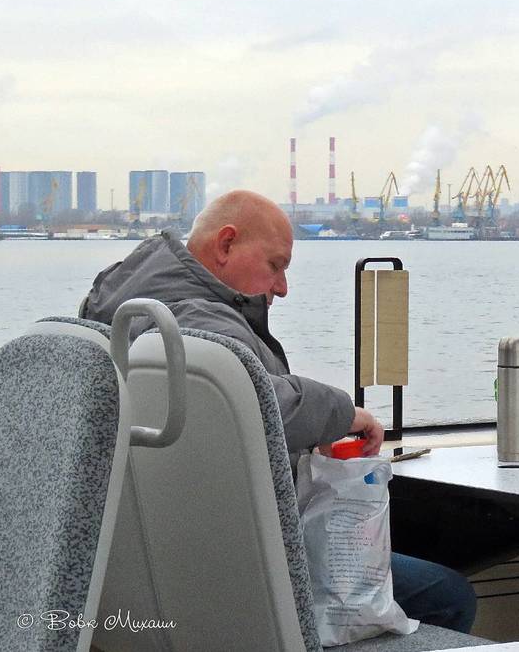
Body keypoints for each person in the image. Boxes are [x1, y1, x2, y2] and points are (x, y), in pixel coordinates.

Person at [81, 189, 476, 633]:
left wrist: (311, 436)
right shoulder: (195, 323)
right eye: (276, 265)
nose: (283, 288)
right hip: (239, 559)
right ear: (226, 244)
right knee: (449, 596)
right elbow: (254, 399)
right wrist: (344, 414)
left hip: (168, 556)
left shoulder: (121, 308)